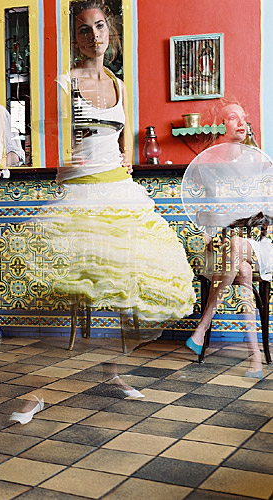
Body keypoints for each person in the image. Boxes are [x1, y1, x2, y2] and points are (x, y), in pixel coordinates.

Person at [41, 0, 195, 330]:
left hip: (118, 189)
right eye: (84, 30)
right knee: (92, 273)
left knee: (136, 266)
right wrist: (68, 155)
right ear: (75, 40)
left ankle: (121, 349)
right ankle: (101, 349)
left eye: (99, 27)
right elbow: (52, 135)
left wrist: (126, 156)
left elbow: (122, 135)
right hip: (81, 190)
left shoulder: (118, 84)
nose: (93, 36)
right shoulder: (64, 84)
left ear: (109, 31)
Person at [185, 101, 271, 378]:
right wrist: (208, 236)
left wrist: (263, 212)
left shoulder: (258, 161)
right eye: (233, 117)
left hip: (257, 246)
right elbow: (203, 212)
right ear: (220, 126)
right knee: (242, 271)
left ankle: (202, 326)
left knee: (235, 245)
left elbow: (270, 209)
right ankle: (256, 360)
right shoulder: (210, 164)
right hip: (227, 252)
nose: (241, 122)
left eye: (244, 117)